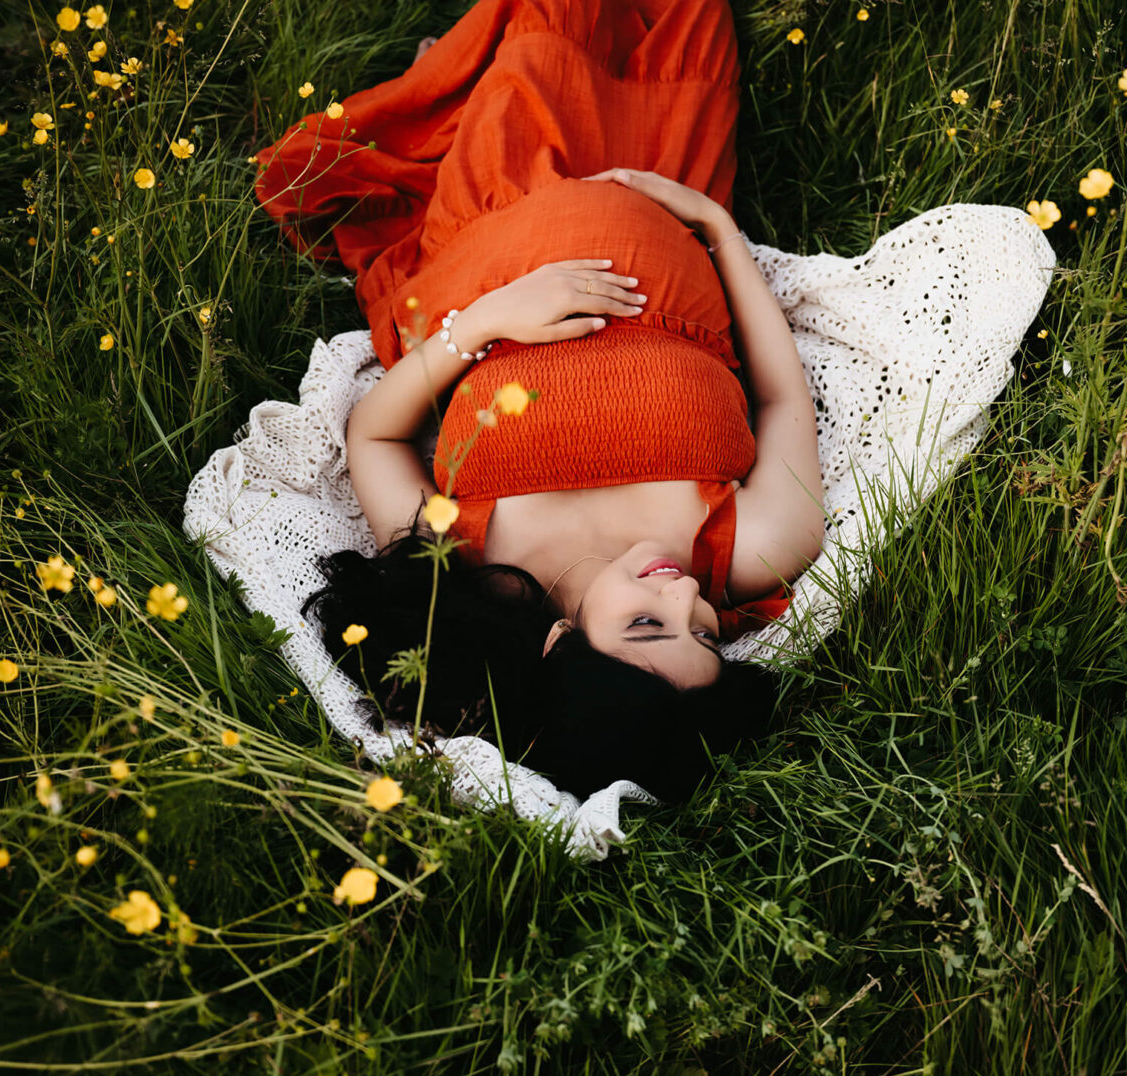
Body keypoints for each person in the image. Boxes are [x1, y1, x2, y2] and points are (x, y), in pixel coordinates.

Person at [254, 0, 823, 800]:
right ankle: (461, 92)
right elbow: (780, 391)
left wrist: (485, 321)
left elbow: (373, 440)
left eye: (648, 622)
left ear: (560, 643)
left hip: (496, 238)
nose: (686, 591)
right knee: (692, 23)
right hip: (663, 197)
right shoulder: (753, 548)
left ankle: (461, 102)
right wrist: (717, 228)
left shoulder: (473, 566)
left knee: (548, 41)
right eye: (703, 632)